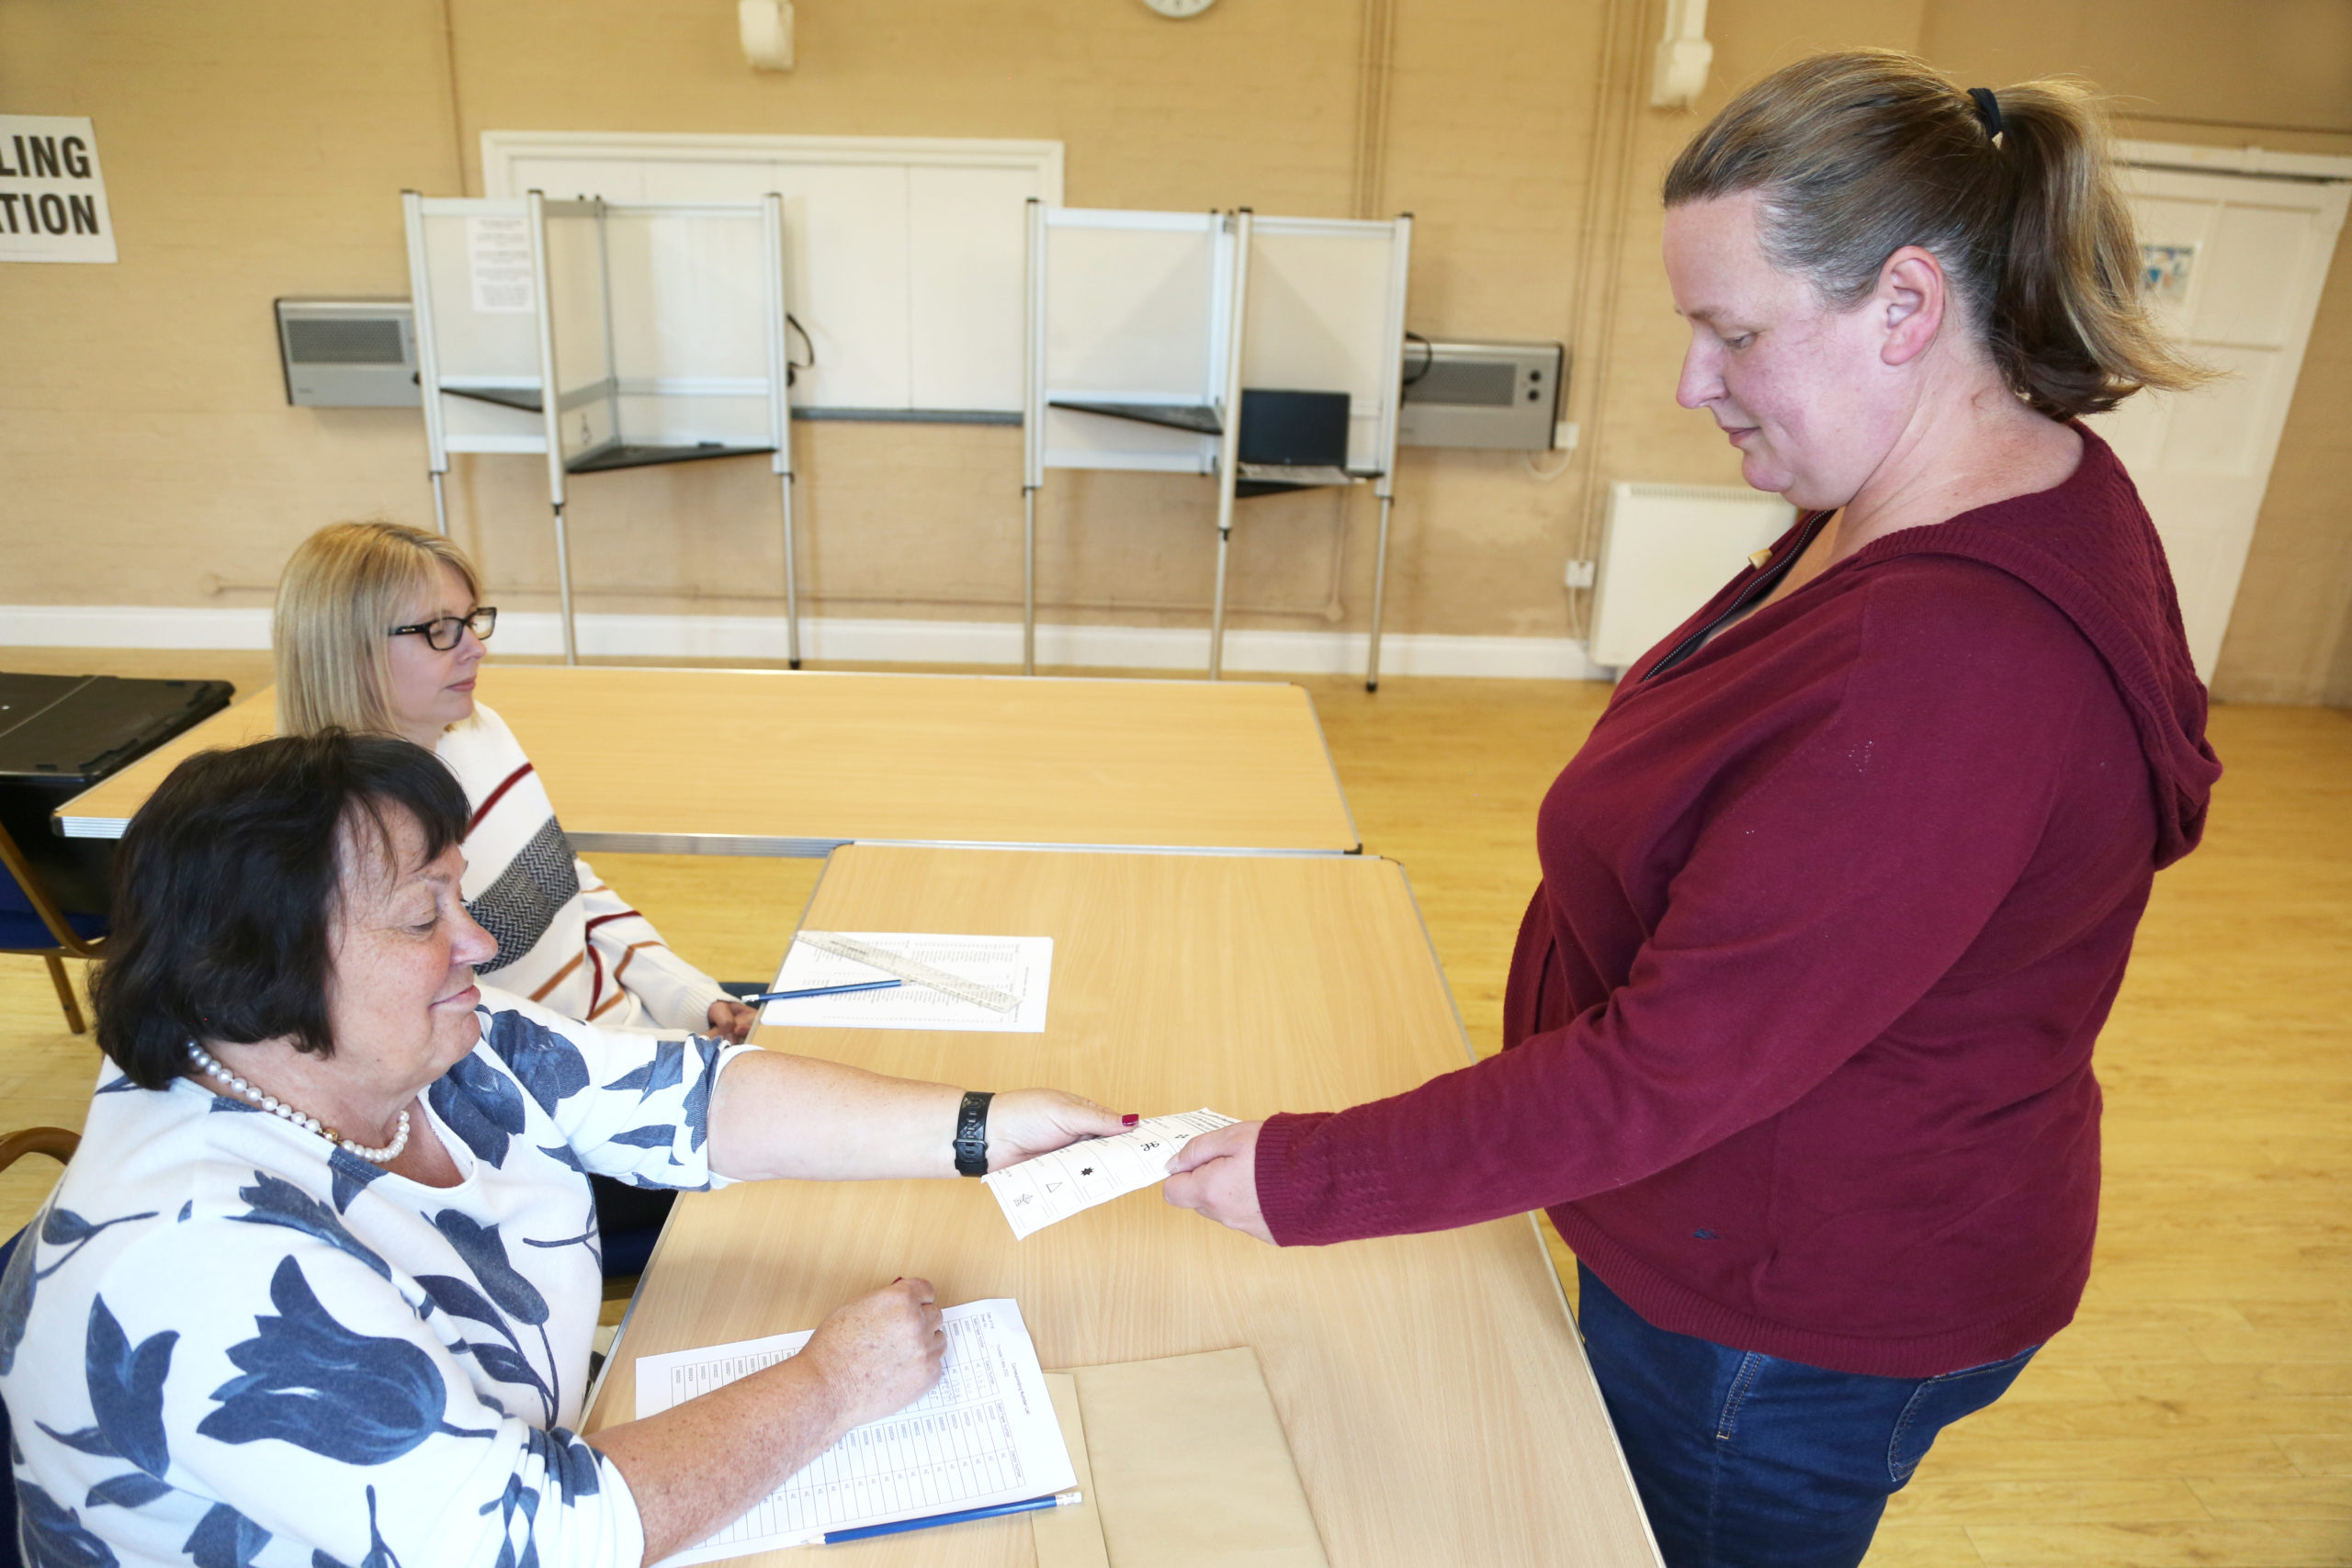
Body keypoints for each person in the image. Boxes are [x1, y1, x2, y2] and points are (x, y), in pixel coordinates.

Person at [1162, 50, 2222, 1568]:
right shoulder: (1957, 492)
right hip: (1799, 1215)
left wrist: (1301, 1172)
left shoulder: (1945, 665)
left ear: (1907, 308)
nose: (1689, 381)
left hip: (1783, 1311)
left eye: (1733, 332)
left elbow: (1673, 1068)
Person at [0, 731, 1129, 1567]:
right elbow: (537, 1541)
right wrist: (830, 1387)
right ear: (262, 965)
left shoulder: (413, 1046)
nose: (477, 941)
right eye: (420, 914)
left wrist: (984, 1128)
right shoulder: (194, 1255)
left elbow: (688, 1100)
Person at [274, 521, 758, 1046]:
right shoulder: (349, 842)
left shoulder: (478, 730)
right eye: (439, 630)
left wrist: (697, 1000)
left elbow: (569, 892)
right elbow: (479, 1046)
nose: (475, 649)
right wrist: (679, 1058)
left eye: (470, 621)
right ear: (349, 651)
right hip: (584, 1086)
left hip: (639, 1036)